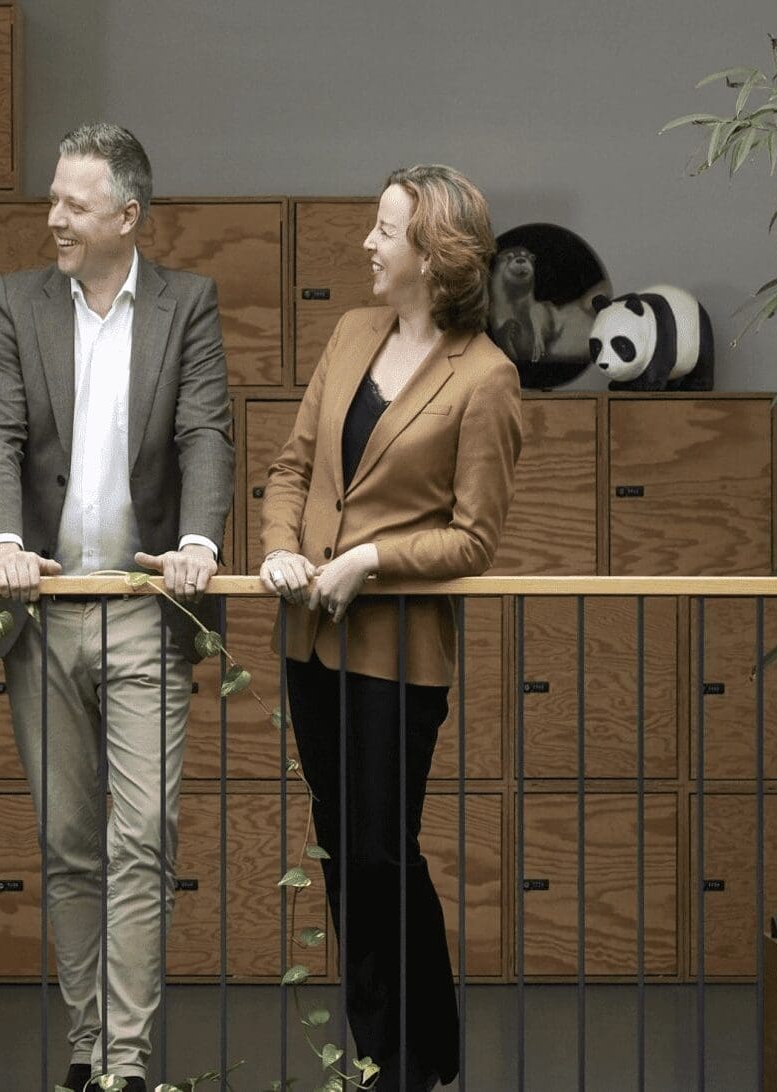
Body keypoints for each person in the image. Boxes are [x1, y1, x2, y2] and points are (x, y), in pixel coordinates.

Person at [0, 122, 234, 1092]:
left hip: (141, 605)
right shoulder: (16, 302)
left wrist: (200, 541)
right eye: (52, 199)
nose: (53, 218)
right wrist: (1, 539)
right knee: (70, 845)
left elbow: (207, 430)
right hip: (43, 608)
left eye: (73, 205)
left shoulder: (187, 304)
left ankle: (124, 1064)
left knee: (142, 836)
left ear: (128, 215)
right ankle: (88, 1048)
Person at [257, 164, 521, 1092]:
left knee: (380, 849)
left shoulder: (485, 378)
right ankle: (397, 1055)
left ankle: (404, 1057)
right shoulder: (351, 333)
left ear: (432, 254)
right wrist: (282, 550)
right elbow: (292, 469)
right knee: (342, 846)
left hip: (397, 654)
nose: (368, 244)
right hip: (309, 641)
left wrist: (368, 561)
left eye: (384, 231)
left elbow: (475, 539)